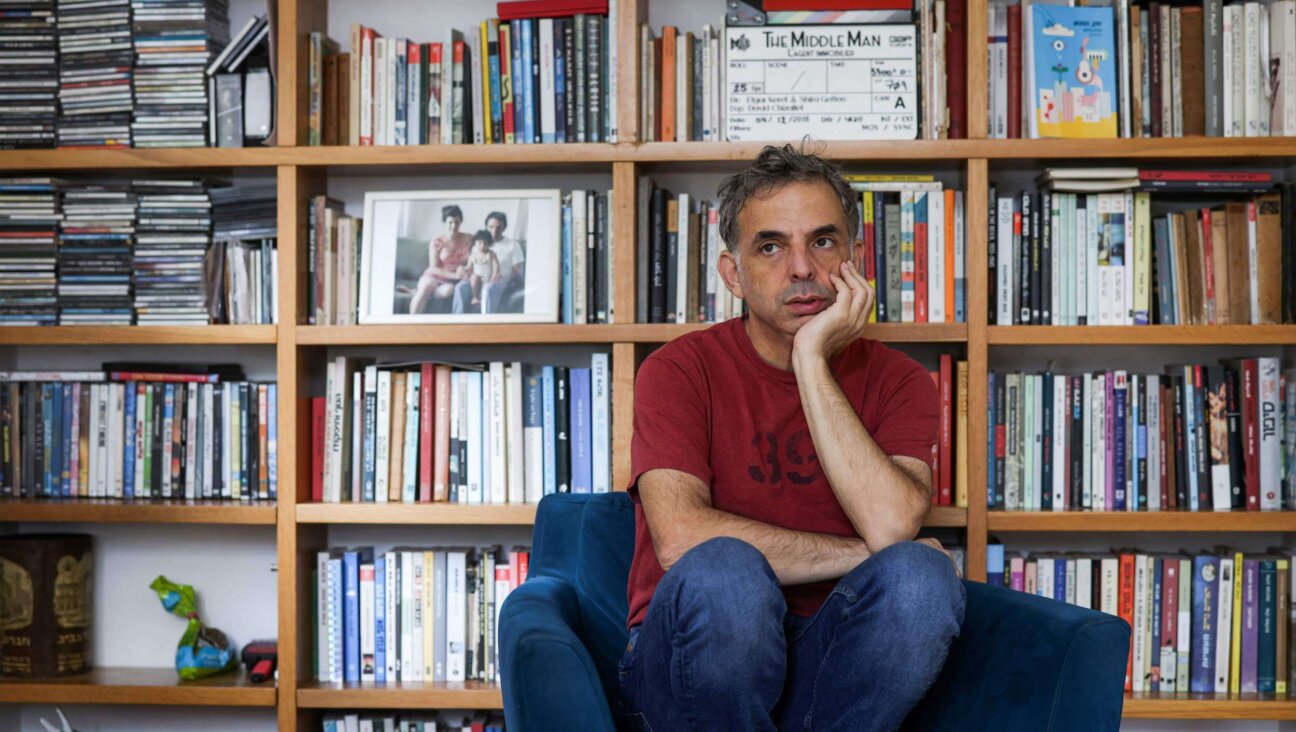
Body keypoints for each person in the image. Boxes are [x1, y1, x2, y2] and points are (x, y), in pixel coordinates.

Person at [618, 145, 964, 732]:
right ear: (733, 274)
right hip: (691, 655)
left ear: (852, 257)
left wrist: (810, 361)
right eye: (771, 246)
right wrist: (860, 556)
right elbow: (680, 542)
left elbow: (892, 527)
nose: (802, 268)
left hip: (835, 657)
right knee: (724, 571)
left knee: (921, 579)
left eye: (823, 242)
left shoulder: (901, 380)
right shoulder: (677, 370)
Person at [454, 210, 525, 314]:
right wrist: (463, 269)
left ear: (504, 227)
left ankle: (486, 324)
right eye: (491, 227)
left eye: (498, 227)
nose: (494, 231)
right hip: (478, 279)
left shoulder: (513, 245)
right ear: (486, 227)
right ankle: (456, 323)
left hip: (499, 282)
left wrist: (501, 278)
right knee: (460, 287)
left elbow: (518, 272)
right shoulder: (478, 244)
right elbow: (472, 265)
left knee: (488, 289)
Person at [408, 204, 471, 314]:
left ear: (461, 222)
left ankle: (419, 292)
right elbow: (433, 268)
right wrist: (455, 275)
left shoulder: (469, 239)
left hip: (451, 282)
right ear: (445, 223)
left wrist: (464, 270)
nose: (454, 226)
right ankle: (411, 323)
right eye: (450, 222)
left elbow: (475, 258)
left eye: (457, 222)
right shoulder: (437, 241)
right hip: (435, 276)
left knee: (448, 291)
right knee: (426, 286)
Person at [464, 229, 501, 309]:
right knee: (474, 277)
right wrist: (465, 270)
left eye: (485, 243)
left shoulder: (491, 254)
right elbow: (469, 267)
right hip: (477, 278)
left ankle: (482, 299)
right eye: (479, 243)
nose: (482, 246)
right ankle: (474, 297)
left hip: (487, 278)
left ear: (489, 244)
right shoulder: (473, 255)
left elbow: (496, 266)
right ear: (475, 243)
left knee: (486, 290)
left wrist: (494, 275)